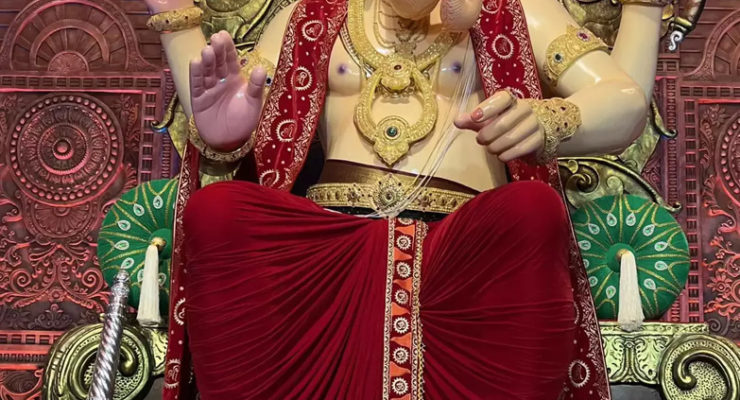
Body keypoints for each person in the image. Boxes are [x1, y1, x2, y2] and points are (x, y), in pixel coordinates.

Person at [143, 0, 669, 398]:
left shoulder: (517, 11)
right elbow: (235, 99)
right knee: (218, 212)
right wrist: (227, 128)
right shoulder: (313, 16)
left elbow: (624, 101)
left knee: (532, 211)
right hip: (326, 248)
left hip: (465, 255)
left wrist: (549, 120)